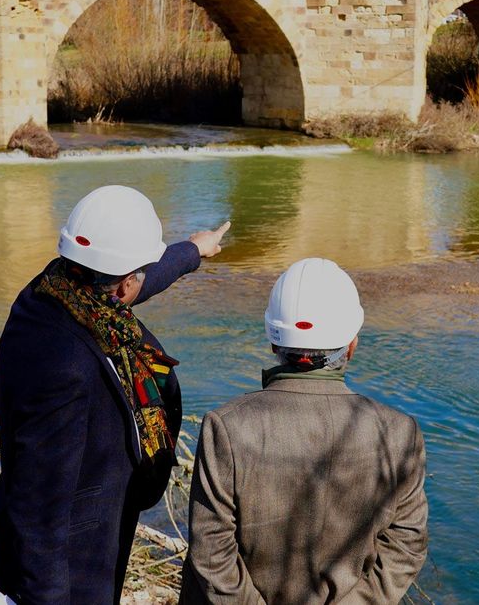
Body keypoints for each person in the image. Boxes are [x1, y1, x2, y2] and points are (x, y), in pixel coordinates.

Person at [0, 185, 230, 604]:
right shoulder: (63, 364)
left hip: (88, 537)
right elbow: (40, 503)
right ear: (122, 285)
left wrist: (192, 251)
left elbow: (140, 278)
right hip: (71, 563)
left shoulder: (58, 287)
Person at [181, 258, 428, 604]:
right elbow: (406, 546)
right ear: (352, 345)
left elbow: (211, 556)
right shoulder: (400, 434)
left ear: (273, 342)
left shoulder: (226, 428)